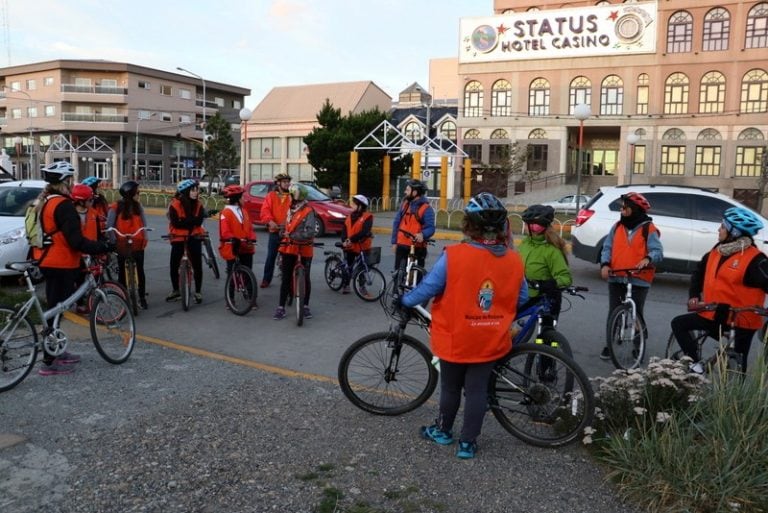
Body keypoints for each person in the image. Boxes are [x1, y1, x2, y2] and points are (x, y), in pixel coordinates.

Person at [401, 192, 528, 459]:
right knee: (477, 391)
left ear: (469, 224)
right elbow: (522, 296)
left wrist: (405, 300)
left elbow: (429, 287)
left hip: (456, 336)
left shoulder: (455, 255)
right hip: (491, 336)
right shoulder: (514, 259)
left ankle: (443, 431)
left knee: (449, 387)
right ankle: (468, 443)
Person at [33, 162, 112, 376]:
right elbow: (76, 241)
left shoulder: (46, 201)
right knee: (56, 311)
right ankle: (49, 362)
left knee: (56, 309)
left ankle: (56, 350)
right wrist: (102, 246)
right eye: (71, 180)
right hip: (61, 263)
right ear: (65, 181)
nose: (73, 184)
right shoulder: (64, 205)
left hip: (48, 260)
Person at [671, 207, 768, 374]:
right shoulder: (716, 251)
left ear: (734, 232)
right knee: (678, 323)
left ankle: (734, 397)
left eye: (723, 226)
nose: (719, 229)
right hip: (715, 315)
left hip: (743, 320)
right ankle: (695, 364)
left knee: (738, 363)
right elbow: (698, 273)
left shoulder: (756, 260)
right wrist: (694, 295)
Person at [598, 192, 663, 360]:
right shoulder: (617, 227)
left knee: (636, 314)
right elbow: (607, 247)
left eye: (625, 207)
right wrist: (605, 264)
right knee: (614, 312)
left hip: (639, 278)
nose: (622, 210)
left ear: (634, 209)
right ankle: (609, 344)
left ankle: (638, 345)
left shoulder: (649, 228)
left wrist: (648, 258)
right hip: (616, 275)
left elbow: (657, 251)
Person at [518, 204, 572, 319]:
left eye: (527, 224)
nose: (525, 226)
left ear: (535, 227)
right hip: (524, 297)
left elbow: (565, 278)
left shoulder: (552, 251)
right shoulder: (525, 244)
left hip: (545, 300)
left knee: (545, 335)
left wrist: (550, 284)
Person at [274, 183, 317, 320]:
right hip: (289, 247)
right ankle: (281, 307)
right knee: (286, 277)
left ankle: (305, 306)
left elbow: (310, 231)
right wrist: (282, 232)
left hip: (304, 248)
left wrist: (292, 236)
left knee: (305, 278)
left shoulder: (308, 211)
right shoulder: (290, 210)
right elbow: (285, 226)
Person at [107, 180, 149, 309]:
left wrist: (145, 238)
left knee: (140, 270)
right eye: (138, 192)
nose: (139, 194)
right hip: (122, 243)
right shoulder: (115, 207)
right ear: (131, 193)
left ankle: (141, 296)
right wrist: (113, 240)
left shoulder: (138, 206)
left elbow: (144, 224)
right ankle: (124, 295)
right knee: (122, 272)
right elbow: (109, 225)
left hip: (136, 242)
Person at [166, 179, 205, 304]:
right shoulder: (174, 205)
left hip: (194, 237)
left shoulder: (199, 204)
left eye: (196, 190)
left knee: (197, 264)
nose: (196, 192)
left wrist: (186, 222)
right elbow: (175, 223)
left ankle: (198, 291)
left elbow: (199, 221)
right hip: (178, 238)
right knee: (173, 264)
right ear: (185, 191)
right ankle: (176, 290)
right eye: (193, 190)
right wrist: (190, 221)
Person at [391, 179, 435, 271]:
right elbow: (396, 224)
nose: (405, 192)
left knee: (416, 276)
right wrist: (394, 242)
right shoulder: (405, 205)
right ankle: (397, 285)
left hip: (417, 247)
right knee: (398, 274)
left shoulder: (426, 208)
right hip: (402, 245)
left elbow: (431, 227)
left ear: (414, 192)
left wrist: (423, 234)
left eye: (407, 190)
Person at [260, 173, 292, 288]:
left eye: (288, 182)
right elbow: (265, 210)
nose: (287, 184)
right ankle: (266, 279)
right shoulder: (271, 196)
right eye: (284, 182)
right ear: (278, 183)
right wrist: (270, 221)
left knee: (289, 257)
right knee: (271, 256)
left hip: (288, 231)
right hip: (275, 230)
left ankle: (288, 280)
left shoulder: (292, 196)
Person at [218, 184, 256, 275]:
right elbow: (225, 231)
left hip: (246, 247)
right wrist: (232, 238)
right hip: (233, 247)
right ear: (236, 199)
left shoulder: (244, 211)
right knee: (232, 274)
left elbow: (250, 228)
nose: (244, 199)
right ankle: (230, 288)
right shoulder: (226, 212)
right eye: (242, 197)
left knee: (248, 274)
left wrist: (252, 238)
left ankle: (249, 288)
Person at [340, 194, 374, 294]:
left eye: (354, 204)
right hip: (350, 246)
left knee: (362, 267)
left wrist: (350, 239)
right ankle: (346, 285)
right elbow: (344, 230)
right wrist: (344, 240)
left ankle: (362, 286)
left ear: (360, 206)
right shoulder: (350, 216)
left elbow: (364, 231)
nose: (352, 206)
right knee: (349, 266)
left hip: (362, 246)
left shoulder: (368, 217)